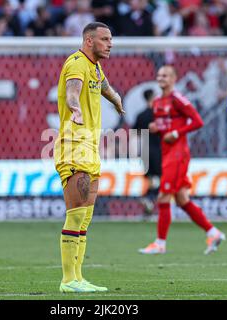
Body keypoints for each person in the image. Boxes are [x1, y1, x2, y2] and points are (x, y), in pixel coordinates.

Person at [54, 22, 125, 293]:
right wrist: (74, 107)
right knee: (75, 214)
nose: (110, 43)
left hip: (89, 147)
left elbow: (103, 84)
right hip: (74, 145)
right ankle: (68, 280)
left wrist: (116, 99)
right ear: (88, 41)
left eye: (111, 39)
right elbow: (73, 89)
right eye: (105, 39)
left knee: (85, 217)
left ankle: (78, 278)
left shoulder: (94, 66)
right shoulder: (76, 63)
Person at [138, 65, 226, 255]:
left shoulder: (178, 99)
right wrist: (157, 127)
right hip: (167, 153)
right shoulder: (159, 102)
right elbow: (167, 125)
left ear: (174, 79)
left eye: (166, 75)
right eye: (159, 74)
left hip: (178, 154)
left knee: (163, 196)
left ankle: (160, 244)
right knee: (181, 199)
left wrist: (177, 133)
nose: (161, 78)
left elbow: (197, 121)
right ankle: (214, 232)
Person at [133, 89, 161, 215]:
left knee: (150, 178)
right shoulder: (158, 114)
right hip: (158, 149)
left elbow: (136, 133)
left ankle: (148, 205)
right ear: (153, 98)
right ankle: (149, 197)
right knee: (162, 178)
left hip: (145, 150)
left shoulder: (141, 115)